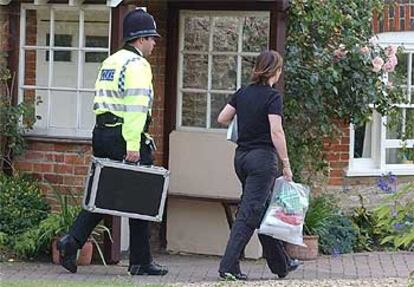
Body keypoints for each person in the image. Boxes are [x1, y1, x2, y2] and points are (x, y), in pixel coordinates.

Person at [57, 8, 168, 276]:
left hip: (103, 133)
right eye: (152, 38)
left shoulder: (112, 61)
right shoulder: (138, 65)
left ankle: (71, 242)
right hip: (125, 135)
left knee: (106, 194)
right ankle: (140, 262)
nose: (154, 43)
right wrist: (133, 145)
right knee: (141, 195)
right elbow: (136, 108)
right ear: (140, 39)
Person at [217, 50, 298, 280]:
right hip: (262, 160)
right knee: (250, 212)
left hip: (241, 158)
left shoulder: (243, 93)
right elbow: (276, 131)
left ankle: (282, 264)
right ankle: (228, 266)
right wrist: (286, 164)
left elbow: (223, 117)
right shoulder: (273, 97)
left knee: (260, 210)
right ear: (276, 71)